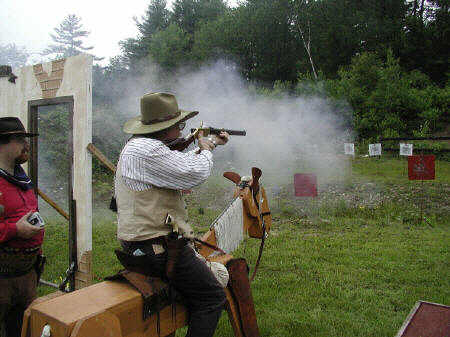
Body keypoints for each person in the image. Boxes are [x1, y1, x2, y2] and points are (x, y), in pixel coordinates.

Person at [115, 92, 229, 337]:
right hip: (157, 249)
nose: (180, 131)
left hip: (143, 244)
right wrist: (207, 149)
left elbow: (175, 169)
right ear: (165, 128)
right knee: (212, 298)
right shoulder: (148, 150)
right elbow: (192, 173)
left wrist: (211, 146)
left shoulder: (140, 147)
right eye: (178, 126)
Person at [0, 117, 44, 337]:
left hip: (26, 276)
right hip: (2, 281)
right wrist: (16, 230)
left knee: (25, 331)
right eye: (19, 139)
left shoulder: (21, 178)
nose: (26, 145)